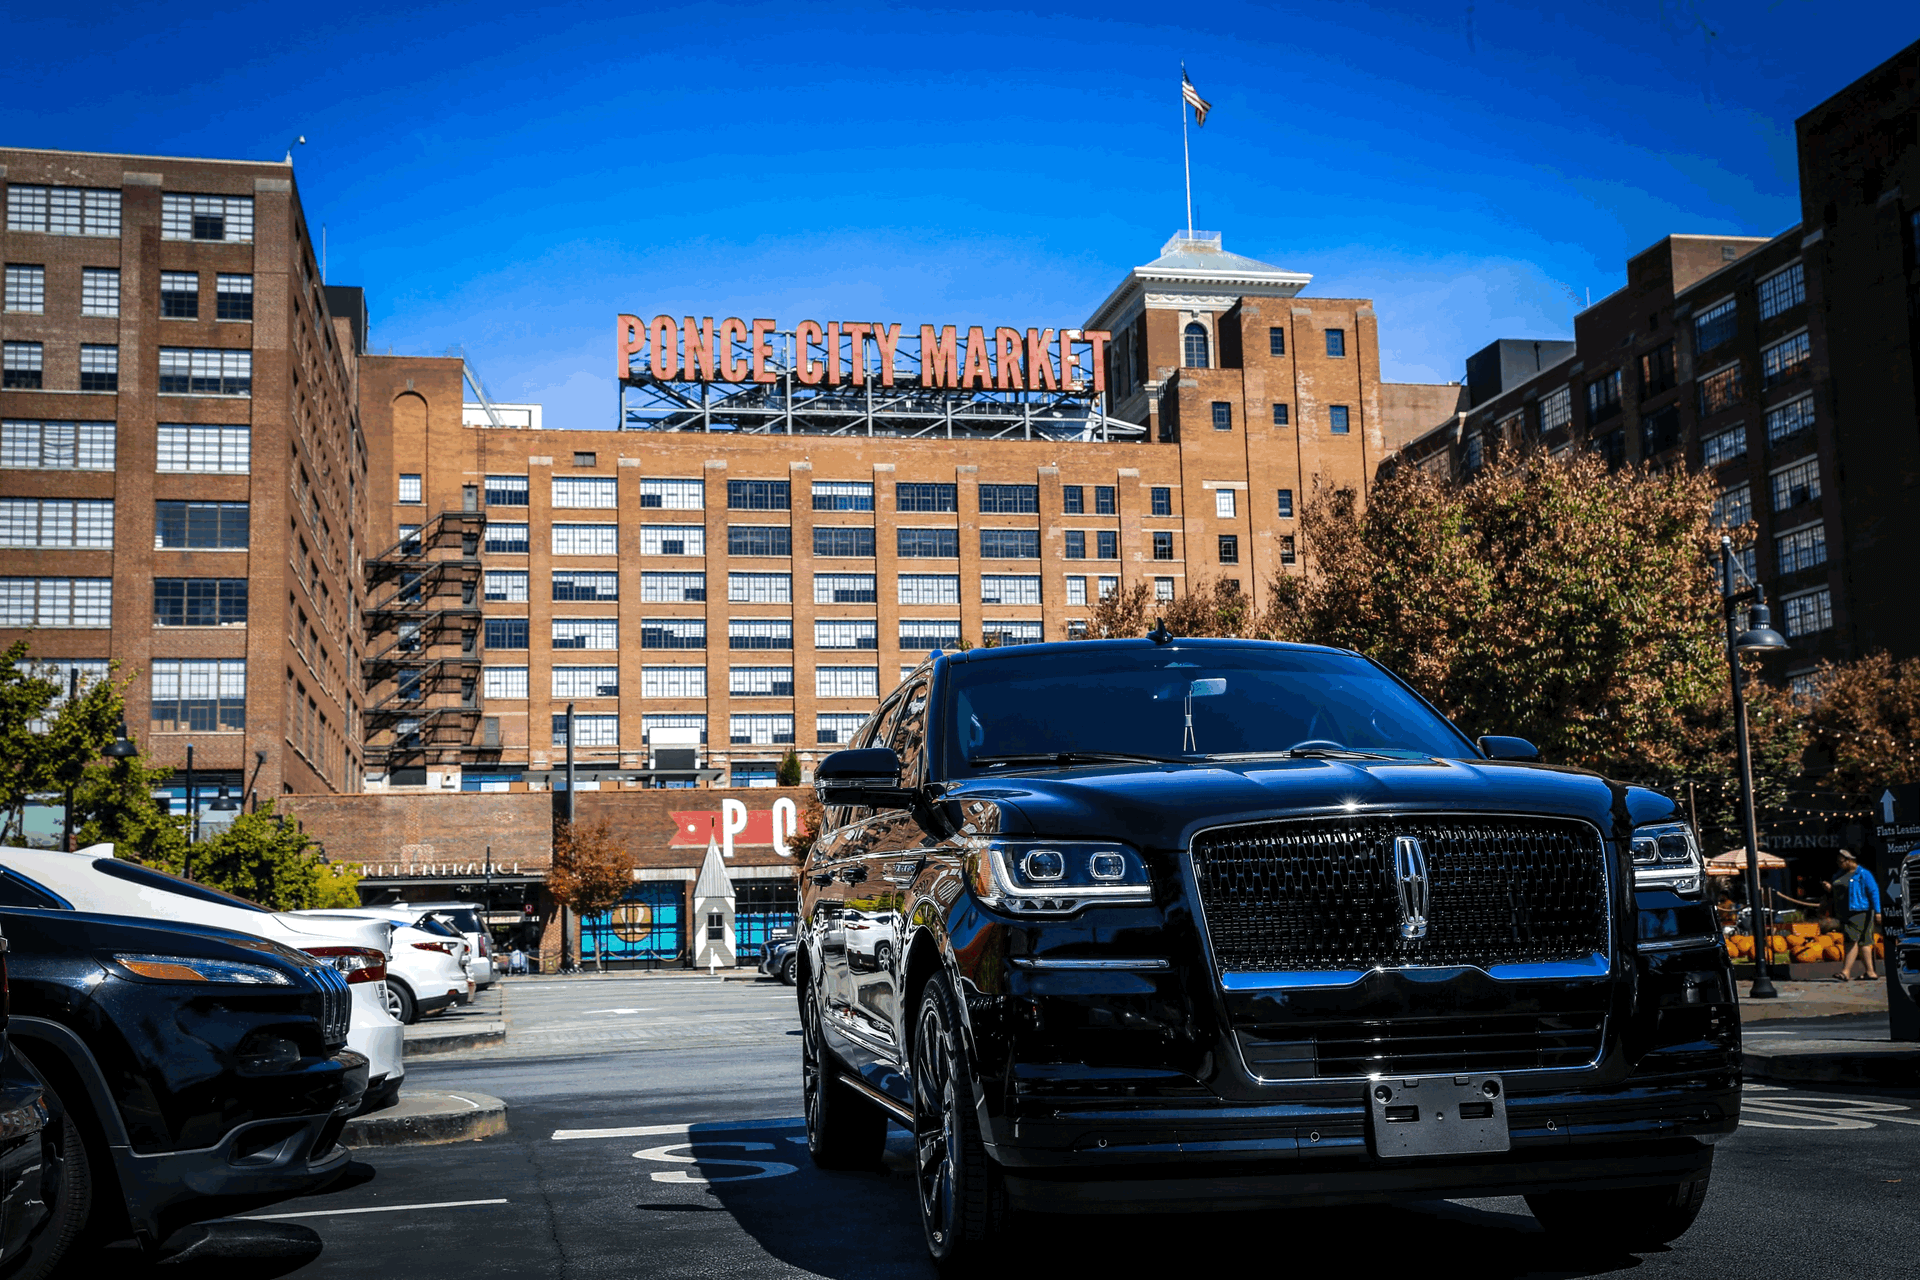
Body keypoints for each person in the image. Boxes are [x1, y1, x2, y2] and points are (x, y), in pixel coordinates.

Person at [1831, 850, 1881, 982]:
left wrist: (1878, 911)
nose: (1839, 864)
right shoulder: (1840, 874)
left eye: (1841, 861)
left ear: (1849, 860)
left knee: (1851, 940)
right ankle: (1870, 972)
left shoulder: (1863, 874)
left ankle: (1845, 972)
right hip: (1846, 912)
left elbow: (1873, 892)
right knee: (1864, 943)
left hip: (1858, 912)